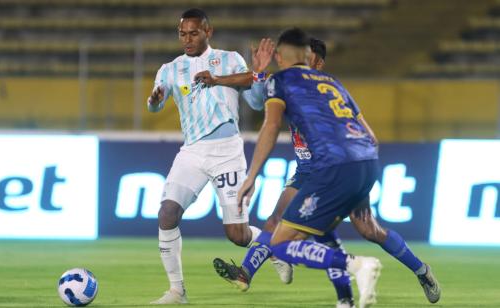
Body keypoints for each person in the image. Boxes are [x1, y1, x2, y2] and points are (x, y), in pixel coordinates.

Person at [222, 28, 442, 308]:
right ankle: (253, 275)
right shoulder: (331, 84)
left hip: (330, 168)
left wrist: (252, 175)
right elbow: (370, 136)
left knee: (363, 230)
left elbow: (269, 120)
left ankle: (390, 271)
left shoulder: (288, 82)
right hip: (343, 163)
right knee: (288, 223)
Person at [198, 39, 357, 308]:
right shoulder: (290, 83)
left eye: (310, 59)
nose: (304, 63)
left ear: (318, 63)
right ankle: (246, 274)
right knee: (274, 223)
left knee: (344, 235)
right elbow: (259, 85)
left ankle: (367, 277)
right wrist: (248, 73)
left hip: (329, 175)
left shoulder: (326, 90)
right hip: (304, 172)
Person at [146, 8, 275, 305]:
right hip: (192, 151)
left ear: (208, 32)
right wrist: (153, 102)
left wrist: (257, 72)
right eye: (182, 34)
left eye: (193, 33)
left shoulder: (231, 60)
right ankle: (177, 291)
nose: (187, 39)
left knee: (238, 235)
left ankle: (271, 247)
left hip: (227, 151)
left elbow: (255, 103)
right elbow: (155, 102)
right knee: (167, 213)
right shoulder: (169, 68)